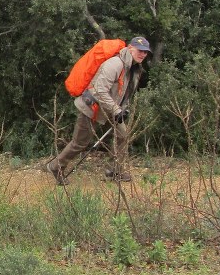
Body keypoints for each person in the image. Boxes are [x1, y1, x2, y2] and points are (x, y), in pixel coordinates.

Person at [47, 36, 151, 185]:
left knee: (122, 135)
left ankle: (114, 170)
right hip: (92, 107)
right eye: (140, 50)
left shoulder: (133, 68)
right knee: (79, 143)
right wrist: (116, 109)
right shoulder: (115, 64)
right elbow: (99, 90)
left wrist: (122, 109)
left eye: (145, 52)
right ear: (130, 48)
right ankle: (56, 166)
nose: (142, 54)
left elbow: (124, 92)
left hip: (110, 109)